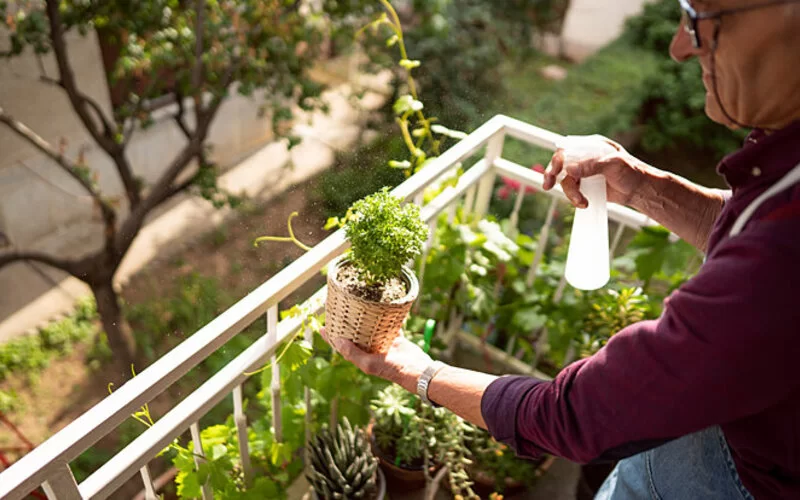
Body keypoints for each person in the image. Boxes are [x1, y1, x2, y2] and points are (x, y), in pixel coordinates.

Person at [322, 0, 800, 498]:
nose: (680, 47)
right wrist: (638, 185)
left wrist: (411, 369)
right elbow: (741, 225)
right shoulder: (783, 183)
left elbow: (572, 417)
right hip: (724, 435)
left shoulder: (782, 256)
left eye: (700, 22)